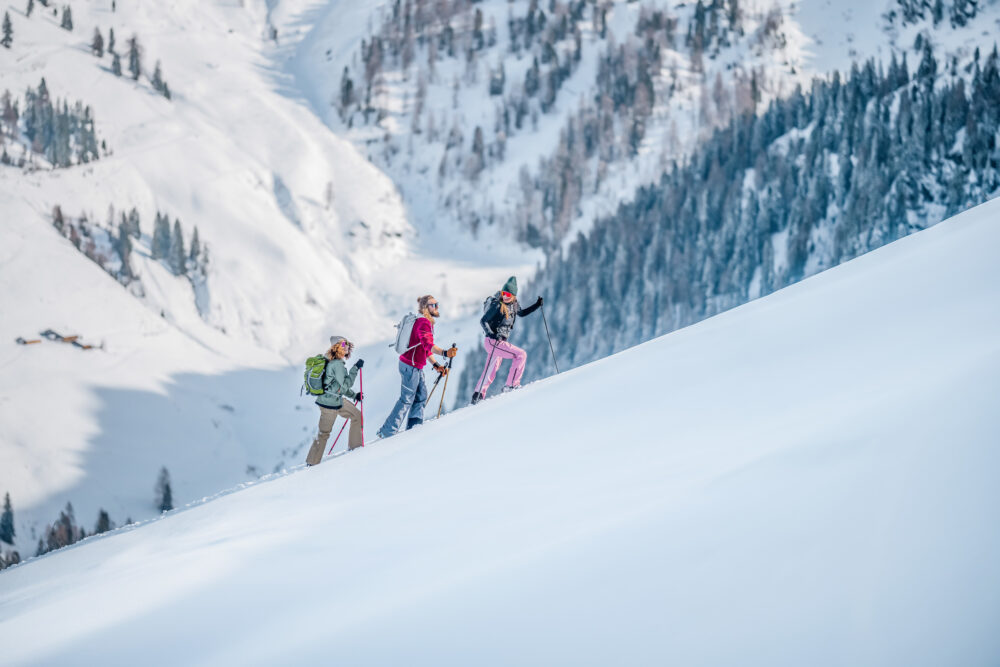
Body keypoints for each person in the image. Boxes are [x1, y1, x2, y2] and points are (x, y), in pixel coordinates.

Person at [377, 295, 458, 438]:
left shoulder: (423, 322)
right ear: (425, 308)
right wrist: (445, 352)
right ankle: (387, 431)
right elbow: (429, 345)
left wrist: (436, 365)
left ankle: (414, 426)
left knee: (421, 396)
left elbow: (423, 349)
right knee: (407, 398)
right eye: (433, 305)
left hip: (413, 365)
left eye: (437, 304)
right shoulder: (424, 323)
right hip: (410, 366)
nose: (436, 307)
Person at [471, 276, 542, 404]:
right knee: (521, 355)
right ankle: (511, 385)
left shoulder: (514, 305)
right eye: (504, 293)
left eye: (509, 294)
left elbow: (522, 313)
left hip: (498, 342)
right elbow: (483, 321)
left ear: (514, 295)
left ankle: (478, 395)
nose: (505, 296)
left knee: (490, 369)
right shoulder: (498, 305)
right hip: (493, 341)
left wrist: (537, 305)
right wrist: (492, 334)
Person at [305, 336, 364, 465]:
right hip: (328, 405)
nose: (346, 346)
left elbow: (339, 387)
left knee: (357, 415)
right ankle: (312, 462)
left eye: (347, 343)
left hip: (336, 400)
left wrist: (354, 396)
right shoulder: (336, 364)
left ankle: (356, 449)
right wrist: (355, 368)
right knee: (324, 433)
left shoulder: (334, 362)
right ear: (337, 347)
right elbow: (345, 384)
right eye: (343, 344)